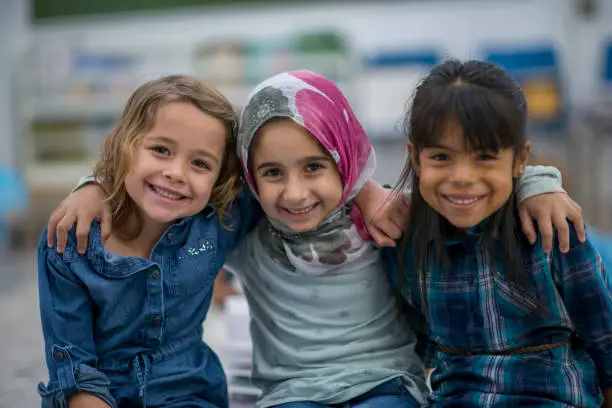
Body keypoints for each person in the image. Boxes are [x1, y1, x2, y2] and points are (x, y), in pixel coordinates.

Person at [48, 70, 584, 408]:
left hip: (386, 385)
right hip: (289, 396)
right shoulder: (248, 224)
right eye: (273, 173)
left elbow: (467, 200)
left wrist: (538, 183)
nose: (296, 193)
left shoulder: (383, 220)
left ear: (345, 163)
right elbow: (168, 203)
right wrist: (94, 184)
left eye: (315, 167)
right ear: (249, 180)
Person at [383, 59, 612, 407]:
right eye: (442, 157)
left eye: (485, 156)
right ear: (416, 158)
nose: (462, 176)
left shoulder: (552, 230)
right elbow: (416, 347)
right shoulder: (407, 240)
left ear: (520, 160)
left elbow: (605, 340)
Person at [36, 75, 261, 408]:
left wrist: (365, 193)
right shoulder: (71, 238)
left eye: (200, 163)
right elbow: (75, 371)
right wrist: (92, 184)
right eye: (161, 150)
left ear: (220, 179)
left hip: (190, 394)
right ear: (124, 145)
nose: (176, 172)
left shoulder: (218, 222)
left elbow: (288, 182)